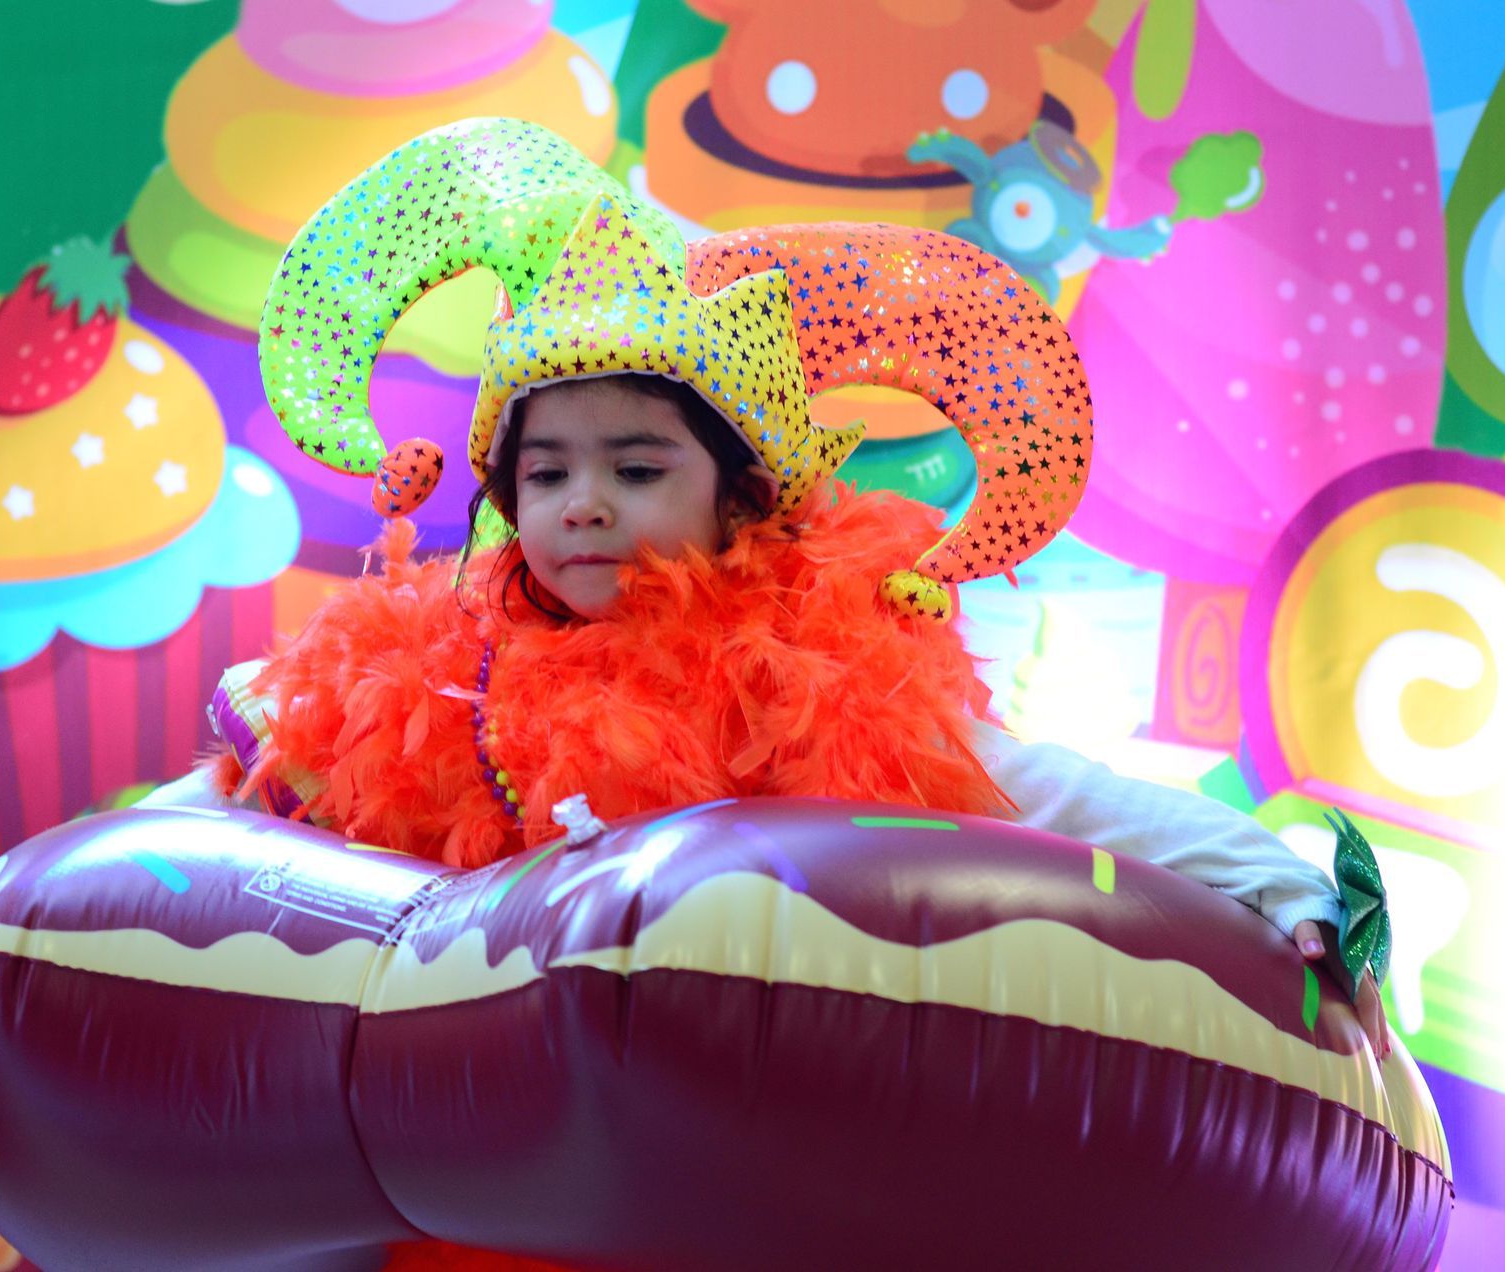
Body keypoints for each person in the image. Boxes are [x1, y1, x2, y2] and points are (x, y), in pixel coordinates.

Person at [143, 117, 1391, 1056]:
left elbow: (1048, 793)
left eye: (638, 466)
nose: (583, 503)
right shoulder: (432, 681)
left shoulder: (806, 683)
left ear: (740, 497)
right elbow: (253, 784)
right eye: (544, 471)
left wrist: (1278, 881)